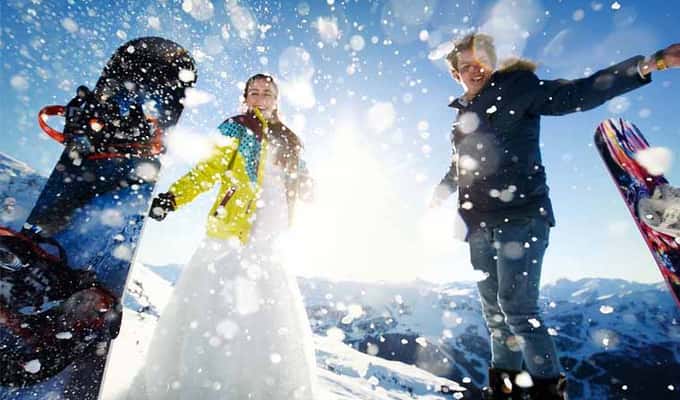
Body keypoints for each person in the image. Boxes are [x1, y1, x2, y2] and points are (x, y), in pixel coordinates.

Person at [430, 33, 680, 399]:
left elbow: (576, 94)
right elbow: (461, 164)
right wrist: (442, 189)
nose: (473, 71)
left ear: (492, 62)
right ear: (456, 74)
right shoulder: (463, 115)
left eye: (480, 62)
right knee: (495, 317)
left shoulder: (517, 87)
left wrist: (649, 63)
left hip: (521, 215)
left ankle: (549, 393)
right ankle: (504, 391)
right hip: (477, 223)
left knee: (517, 310)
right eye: (464, 67)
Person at [130, 73, 317, 399]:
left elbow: (303, 180)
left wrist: (312, 190)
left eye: (267, 93)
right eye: (254, 93)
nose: (260, 98)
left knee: (266, 318)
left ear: (277, 99)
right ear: (246, 97)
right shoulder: (236, 127)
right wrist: (173, 197)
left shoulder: (289, 138)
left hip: (271, 238)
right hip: (233, 232)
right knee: (218, 311)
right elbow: (207, 170)